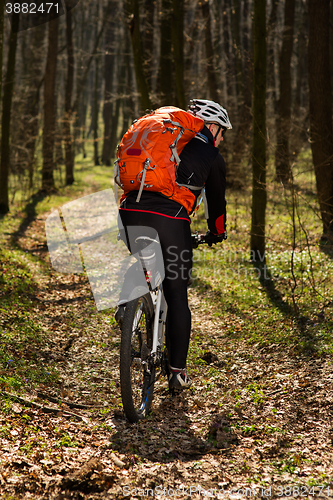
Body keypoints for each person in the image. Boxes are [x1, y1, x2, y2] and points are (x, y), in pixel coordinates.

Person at [116, 99, 232, 392]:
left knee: (144, 258)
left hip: (129, 211)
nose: (222, 139)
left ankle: (129, 295)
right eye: (222, 132)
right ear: (213, 127)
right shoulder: (211, 155)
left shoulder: (164, 141)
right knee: (176, 293)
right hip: (169, 219)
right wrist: (216, 233)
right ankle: (177, 373)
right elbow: (216, 204)